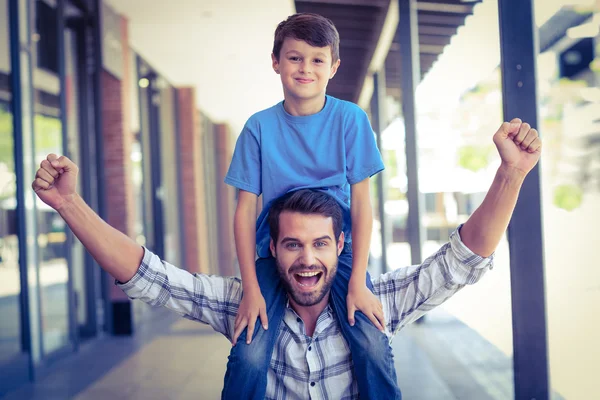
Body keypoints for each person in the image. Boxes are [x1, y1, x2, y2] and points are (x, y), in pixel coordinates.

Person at [31, 117, 542, 399]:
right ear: (271, 248)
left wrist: (511, 175)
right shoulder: (245, 305)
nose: (306, 259)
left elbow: (461, 260)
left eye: (321, 243)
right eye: (292, 244)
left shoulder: (372, 303)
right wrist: (71, 205)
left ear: (341, 246)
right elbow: (150, 276)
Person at [224, 13, 398, 398]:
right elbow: (243, 212)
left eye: (317, 59)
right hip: (277, 253)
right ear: (276, 62)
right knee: (249, 353)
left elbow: (363, 206)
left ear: (333, 67)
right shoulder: (258, 127)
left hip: (336, 251)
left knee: (371, 344)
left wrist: (357, 281)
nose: (305, 68)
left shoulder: (351, 120)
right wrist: (250, 287)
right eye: (294, 58)